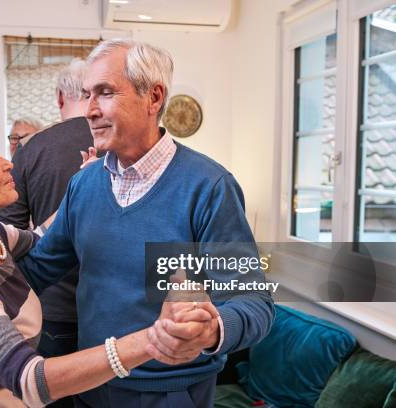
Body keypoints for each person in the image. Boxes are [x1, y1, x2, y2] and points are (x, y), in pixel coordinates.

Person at [16, 39, 275, 407]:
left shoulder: (208, 187)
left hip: (168, 394)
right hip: (90, 386)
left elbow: (255, 302)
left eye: (104, 93)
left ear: (153, 98)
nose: (89, 110)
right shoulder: (84, 184)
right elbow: (39, 268)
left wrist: (211, 328)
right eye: (87, 94)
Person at [0, 113, 202, 408]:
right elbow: (31, 379)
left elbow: (41, 237)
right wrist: (151, 339)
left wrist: (81, 185)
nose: (7, 164)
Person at [0, 60, 95, 406]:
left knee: (55, 395)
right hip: (113, 305)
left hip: (53, 304)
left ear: (59, 98)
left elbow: (8, 233)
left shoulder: (33, 148)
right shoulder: (122, 143)